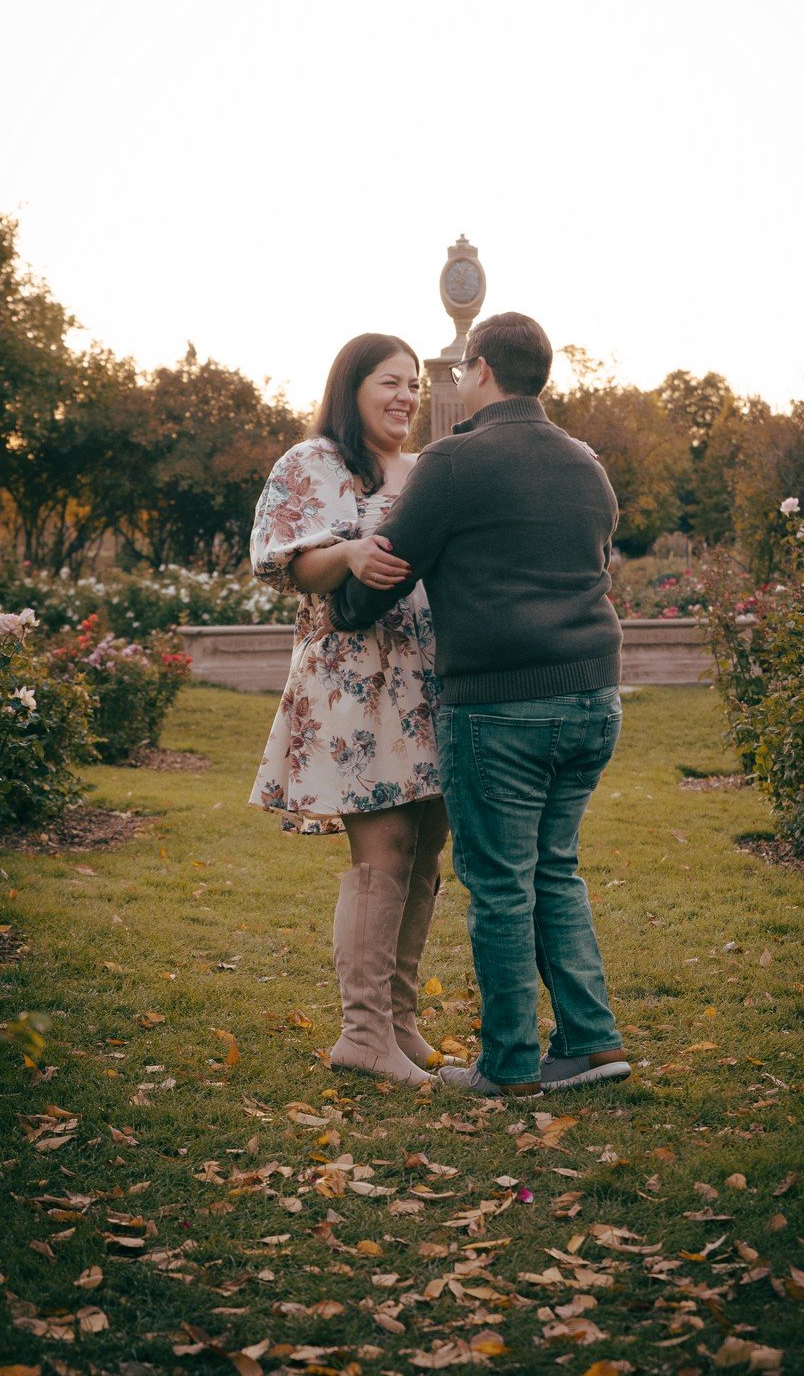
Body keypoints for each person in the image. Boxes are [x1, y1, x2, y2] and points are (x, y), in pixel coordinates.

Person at [329, 312, 630, 1098]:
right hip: (595, 696)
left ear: (483, 368)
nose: (455, 383)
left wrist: (346, 605)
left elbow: (392, 558)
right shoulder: (587, 464)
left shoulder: (455, 460)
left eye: (462, 372)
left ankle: (508, 1066)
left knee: (500, 883)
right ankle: (593, 1044)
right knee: (555, 869)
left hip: (501, 705)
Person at [249, 333, 450, 1089]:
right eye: (390, 383)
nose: (405, 397)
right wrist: (351, 555)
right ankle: (362, 1035)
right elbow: (288, 561)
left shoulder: (424, 469)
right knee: (385, 852)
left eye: (413, 387)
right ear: (352, 387)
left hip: (427, 683)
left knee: (426, 848)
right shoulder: (313, 462)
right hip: (357, 683)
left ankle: (399, 1024)